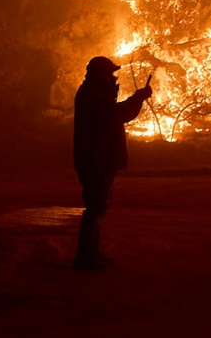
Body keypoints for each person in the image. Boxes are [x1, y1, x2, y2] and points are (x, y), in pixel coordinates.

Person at [72, 55, 152, 270]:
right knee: (95, 208)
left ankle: (91, 253)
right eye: (109, 73)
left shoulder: (95, 93)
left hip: (100, 158)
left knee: (98, 208)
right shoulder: (92, 95)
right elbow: (117, 115)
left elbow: (116, 115)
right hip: (96, 160)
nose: (112, 77)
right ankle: (85, 256)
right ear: (100, 74)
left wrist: (136, 98)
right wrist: (138, 98)